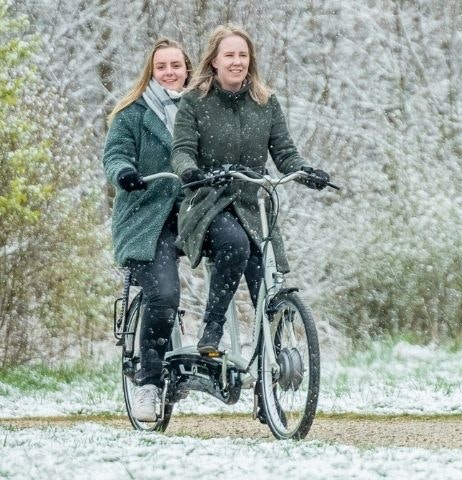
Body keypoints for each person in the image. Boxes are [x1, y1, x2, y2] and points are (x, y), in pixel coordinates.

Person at [171, 24, 330, 354]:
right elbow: (182, 149)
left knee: (268, 285)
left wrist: (306, 172)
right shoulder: (195, 102)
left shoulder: (265, 102)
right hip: (207, 203)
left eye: (243, 55)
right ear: (214, 60)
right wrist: (190, 172)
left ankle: (266, 381)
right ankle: (212, 329)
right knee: (235, 244)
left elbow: (285, 153)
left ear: (251, 60)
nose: (236, 62)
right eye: (229, 55)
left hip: (252, 206)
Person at [102, 38, 192, 422]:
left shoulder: (199, 109)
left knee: (239, 253)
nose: (169, 72)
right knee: (164, 293)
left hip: (190, 216)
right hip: (144, 219)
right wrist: (124, 172)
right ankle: (148, 383)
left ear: (187, 68)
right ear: (151, 72)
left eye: (176, 65)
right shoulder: (133, 113)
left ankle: (227, 364)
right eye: (162, 67)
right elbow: (115, 152)